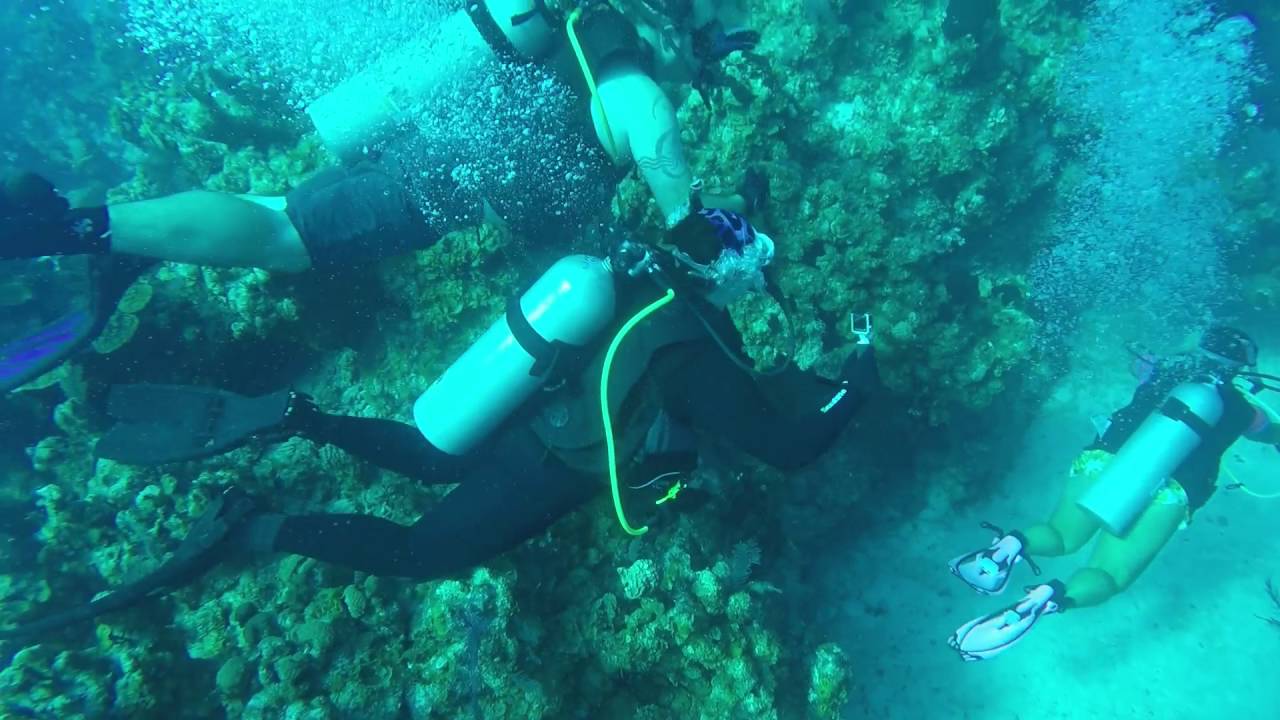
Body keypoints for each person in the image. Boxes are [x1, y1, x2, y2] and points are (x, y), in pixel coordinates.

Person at [0, 208, 881, 640]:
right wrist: (861, 381)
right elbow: (792, 447)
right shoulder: (697, 348)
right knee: (422, 554)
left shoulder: (640, 274)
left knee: (428, 455)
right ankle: (255, 530)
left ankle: (303, 417)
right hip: (554, 467)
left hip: (524, 415)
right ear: (724, 267)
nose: (756, 279)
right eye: (752, 264)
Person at [0, 0, 764, 273]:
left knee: (274, 207)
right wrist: (715, 224)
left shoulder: (581, 25)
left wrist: (719, 208)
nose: (705, 60)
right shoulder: (629, 70)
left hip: (421, 149)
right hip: (425, 188)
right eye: (709, 35)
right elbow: (666, 167)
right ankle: (76, 230)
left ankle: (108, 230)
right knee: (281, 235)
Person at [946, 326, 1280, 661]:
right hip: (1171, 493)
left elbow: (1140, 369)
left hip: (1105, 459)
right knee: (1108, 574)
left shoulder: (1164, 370)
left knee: (1061, 536)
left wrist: (1166, 360)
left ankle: (1009, 547)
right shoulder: (1242, 409)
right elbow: (1268, 431)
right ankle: (1048, 598)